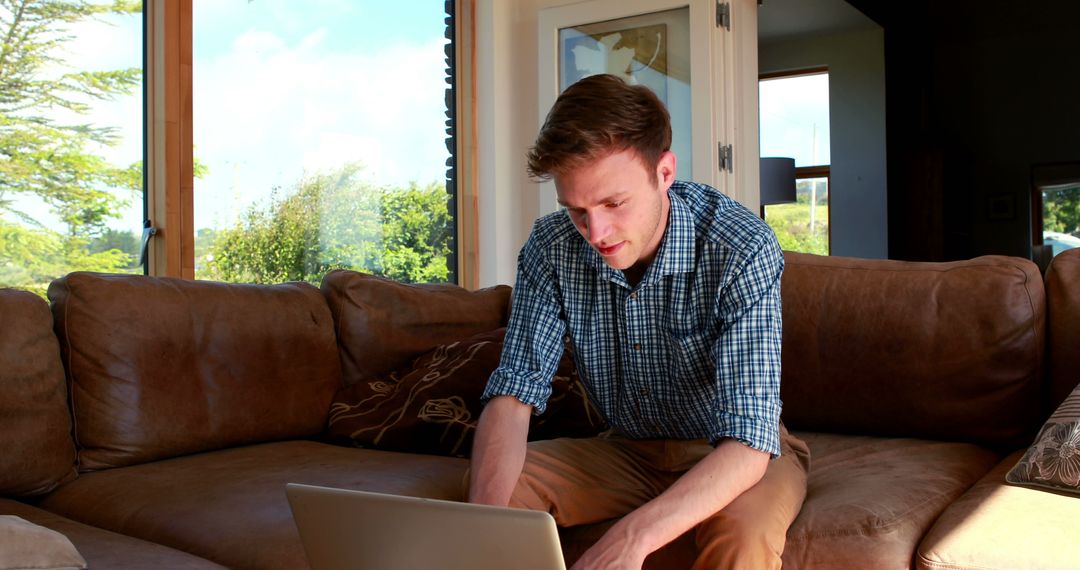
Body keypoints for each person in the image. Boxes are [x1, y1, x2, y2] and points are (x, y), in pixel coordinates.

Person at [468, 73, 810, 569]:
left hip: (734, 453)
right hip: (625, 451)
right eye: (577, 211)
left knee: (742, 535)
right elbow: (515, 393)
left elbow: (748, 442)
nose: (596, 232)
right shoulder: (550, 248)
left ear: (664, 172)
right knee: (490, 492)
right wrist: (481, 527)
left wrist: (633, 537)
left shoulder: (742, 248)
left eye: (613, 203)